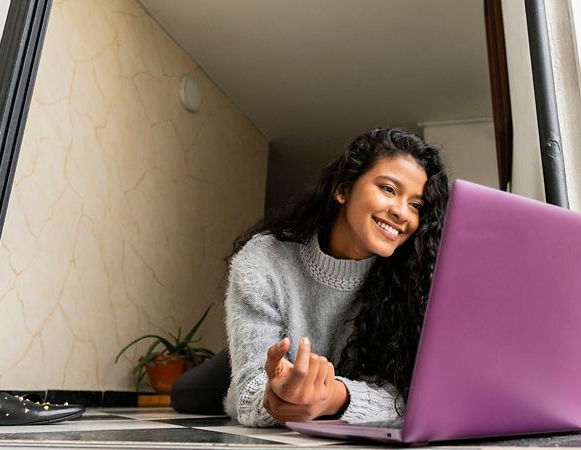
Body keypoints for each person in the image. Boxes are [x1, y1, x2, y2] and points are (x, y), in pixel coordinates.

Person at [170, 128, 450, 427]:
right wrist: (279, 394)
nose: (402, 213)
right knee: (186, 395)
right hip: (274, 350)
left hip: (341, 378)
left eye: (416, 205)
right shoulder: (264, 258)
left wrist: (335, 398)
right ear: (343, 189)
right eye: (389, 189)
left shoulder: (412, 277)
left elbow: (407, 398)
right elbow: (251, 396)